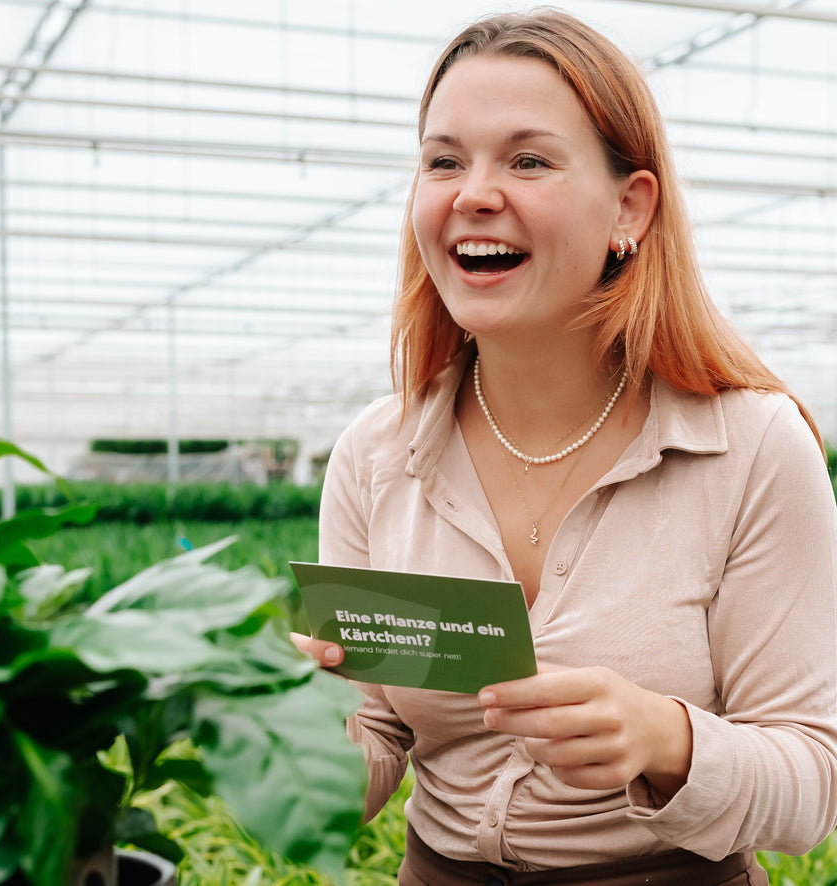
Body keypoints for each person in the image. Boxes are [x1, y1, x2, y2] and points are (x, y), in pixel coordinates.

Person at [294, 8, 837, 885]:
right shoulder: (376, 456)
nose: (472, 192)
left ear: (631, 207)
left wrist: (668, 741)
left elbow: (813, 784)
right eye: (443, 160)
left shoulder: (750, 448)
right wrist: (284, 721)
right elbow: (368, 746)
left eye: (529, 160)